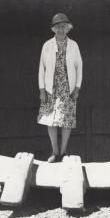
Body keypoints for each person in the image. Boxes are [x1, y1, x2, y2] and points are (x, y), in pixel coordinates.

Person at [38, 13, 83, 162]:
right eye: (58, 27)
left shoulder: (74, 45)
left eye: (63, 27)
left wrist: (77, 88)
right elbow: (42, 68)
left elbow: (79, 67)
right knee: (50, 119)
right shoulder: (47, 45)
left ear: (68, 28)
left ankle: (63, 153)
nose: (61, 30)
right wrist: (42, 90)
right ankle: (54, 152)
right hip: (51, 87)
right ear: (53, 29)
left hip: (67, 88)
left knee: (66, 120)